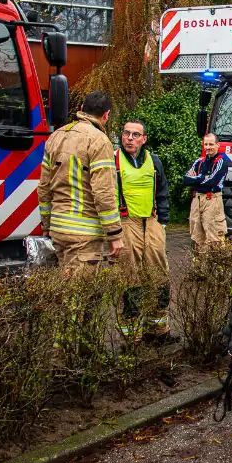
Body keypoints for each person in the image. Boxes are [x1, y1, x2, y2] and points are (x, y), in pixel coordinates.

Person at [38, 90, 123, 272]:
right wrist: (114, 234)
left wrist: (46, 225)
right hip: (85, 235)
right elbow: (103, 193)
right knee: (82, 297)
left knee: (63, 293)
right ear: (106, 115)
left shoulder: (55, 137)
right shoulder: (99, 141)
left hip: (58, 230)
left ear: (82, 108)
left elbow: (44, 187)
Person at [115, 120, 178, 345]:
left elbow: (162, 191)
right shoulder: (114, 160)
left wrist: (163, 221)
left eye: (135, 134)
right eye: (126, 134)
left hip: (151, 220)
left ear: (144, 139)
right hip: (126, 220)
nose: (130, 138)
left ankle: (158, 329)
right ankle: (131, 337)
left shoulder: (154, 161)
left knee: (158, 271)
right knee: (130, 275)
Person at [184, 133, 228, 252]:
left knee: (215, 239)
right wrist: (203, 178)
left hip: (212, 200)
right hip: (196, 201)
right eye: (206, 144)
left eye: (211, 144)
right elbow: (186, 180)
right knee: (197, 239)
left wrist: (197, 179)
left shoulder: (221, 162)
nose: (208, 147)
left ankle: (217, 269)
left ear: (218, 145)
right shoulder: (199, 161)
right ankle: (199, 269)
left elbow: (213, 182)